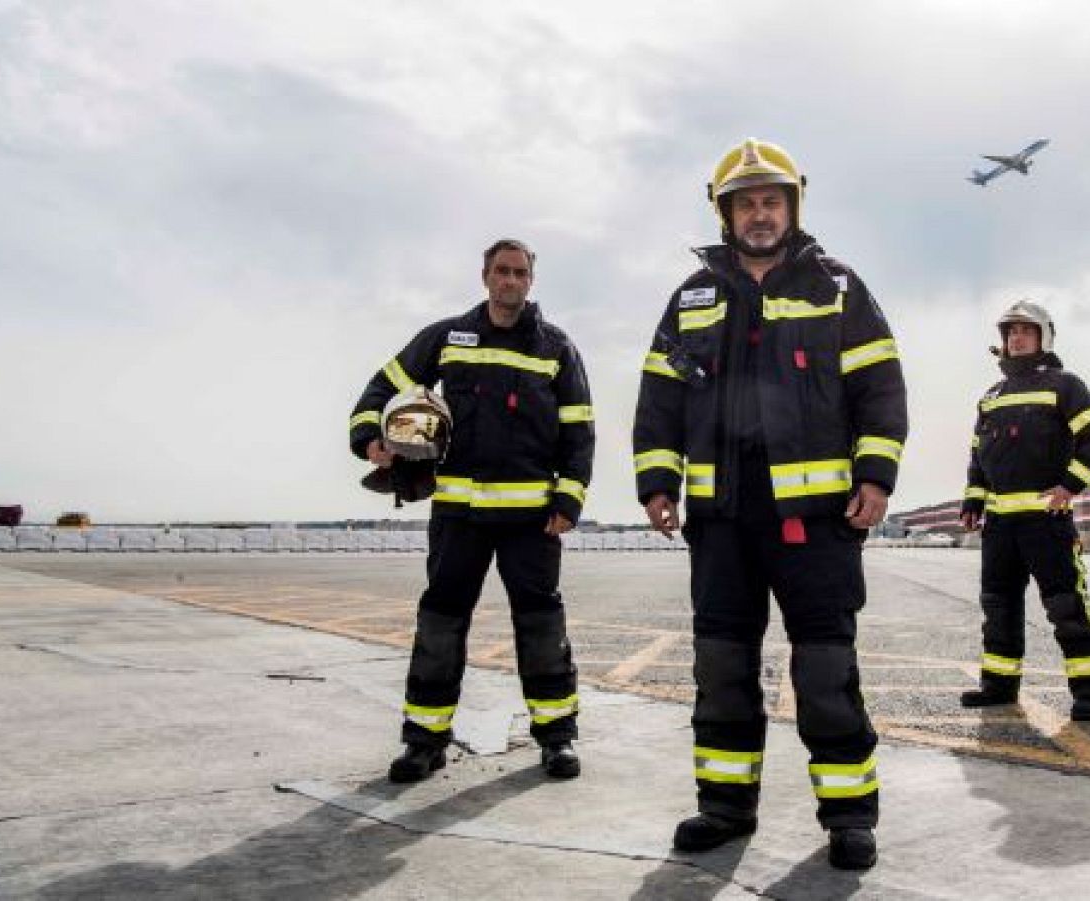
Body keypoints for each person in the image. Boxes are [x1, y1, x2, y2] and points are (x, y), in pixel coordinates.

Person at [633, 138, 907, 870]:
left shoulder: (838, 287)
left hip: (816, 520)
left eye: (772, 199)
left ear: (793, 206)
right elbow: (658, 397)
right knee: (720, 664)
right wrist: (658, 483)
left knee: (823, 670)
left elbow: (880, 386)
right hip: (721, 517)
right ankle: (724, 805)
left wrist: (875, 476)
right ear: (726, 212)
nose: (760, 213)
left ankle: (849, 813)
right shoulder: (691, 297)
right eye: (747, 201)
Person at [349, 238, 594, 784]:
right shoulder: (446, 338)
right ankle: (423, 741)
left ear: (531, 281)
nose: (511, 281)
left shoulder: (556, 348)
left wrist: (570, 498)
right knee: (440, 623)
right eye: (502, 271)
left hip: (532, 519)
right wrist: (371, 440)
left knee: (540, 626)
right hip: (458, 514)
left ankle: (556, 738)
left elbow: (580, 430)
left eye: (521, 273)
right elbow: (379, 389)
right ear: (485, 276)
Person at [958, 301, 1090, 720]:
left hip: (1047, 522)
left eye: (1026, 331)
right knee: (998, 605)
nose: (1017, 337)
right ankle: (999, 685)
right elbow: (978, 454)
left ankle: (1088, 691)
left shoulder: (1065, 385)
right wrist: (973, 498)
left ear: (1043, 337)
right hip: (1000, 525)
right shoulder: (991, 397)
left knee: (1066, 605)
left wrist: (1071, 484)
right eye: (1010, 332)